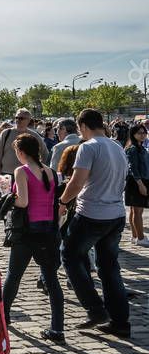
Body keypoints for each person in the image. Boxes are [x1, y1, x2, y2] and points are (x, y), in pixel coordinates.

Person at [60, 109, 131, 338]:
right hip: (116, 214)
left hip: (92, 213)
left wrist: (62, 202)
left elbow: (77, 182)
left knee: (69, 254)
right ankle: (120, 322)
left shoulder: (88, 147)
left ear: (82, 126)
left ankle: (95, 309)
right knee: (109, 268)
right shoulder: (117, 146)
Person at [0, 133, 66, 342]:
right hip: (48, 231)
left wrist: (6, 196)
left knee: (14, 276)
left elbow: (23, 202)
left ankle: (3, 316)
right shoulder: (52, 172)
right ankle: (57, 329)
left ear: (20, 152)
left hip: (27, 232)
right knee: (52, 281)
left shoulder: (22, 171)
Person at [0, 108, 49, 178]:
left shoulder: (34, 135)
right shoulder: (6, 133)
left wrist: (41, 170)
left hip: (28, 175)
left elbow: (45, 153)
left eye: (21, 118)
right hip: (7, 174)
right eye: (16, 117)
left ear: (28, 120)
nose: (18, 120)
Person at [124, 122, 149, 246]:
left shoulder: (140, 147)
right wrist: (141, 184)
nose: (143, 135)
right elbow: (132, 168)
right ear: (133, 134)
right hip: (136, 182)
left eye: (144, 132)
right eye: (140, 133)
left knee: (134, 211)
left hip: (140, 181)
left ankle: (135, 237)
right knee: (137, 211)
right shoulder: (133, 149)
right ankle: (140, 237)